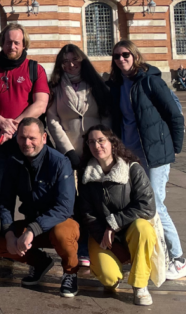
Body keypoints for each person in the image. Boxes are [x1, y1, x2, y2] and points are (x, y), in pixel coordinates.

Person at [107, 40, 186, 281]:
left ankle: (179, 260)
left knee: (156, 206)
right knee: (137, 205)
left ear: (135, 56)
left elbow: (175, 114)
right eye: (117, 56)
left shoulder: (150, 81)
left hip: (154, 155)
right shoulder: (117, 85)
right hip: (130, 156)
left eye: (125, 55)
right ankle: (149, 255)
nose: (121, 59)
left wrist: (173, 147)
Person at [0, 118, 81, 297]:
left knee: (62, 234)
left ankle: (70, 273)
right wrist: (9, 233)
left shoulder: (60, 162)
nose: (27, 143)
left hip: (61, 222)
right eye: (22, 138)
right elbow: (5, 202)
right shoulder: (13, 162)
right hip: (33, 224)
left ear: (43, 137)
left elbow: (64, 207)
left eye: (32, 138)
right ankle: (40, 262)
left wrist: (32, 230)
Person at [77, 126, 158, 306]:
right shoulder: (86, 175)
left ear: (112, 144)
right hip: (101, 234)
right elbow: (87, 214)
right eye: (91, 142)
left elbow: (147, 206)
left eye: (101, 140)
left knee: (143, 228)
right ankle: (115, 275)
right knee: (108, 279)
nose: (96, 146)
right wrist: (107, 239)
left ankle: (140, 285)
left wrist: (113, 224)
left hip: (130, 229)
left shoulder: (132, 169)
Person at [0, 22, 50, 194]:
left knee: (33, 188)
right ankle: (3, 220)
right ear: (2, 43)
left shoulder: (35, 69)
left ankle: (33, 221)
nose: (12, 46)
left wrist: (14, 124)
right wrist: (1, 121)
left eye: (17, 42)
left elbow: (41, 103)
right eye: (8, 42)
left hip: (28, 137)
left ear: (24, 44)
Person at [45, 44, 112, 171]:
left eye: (75, 60)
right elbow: (53, 121)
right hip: (71, 148)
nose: (71, 65)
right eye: (66, 61)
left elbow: (106, 115)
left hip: (98, 147)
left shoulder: (97, 85)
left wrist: (103, 141)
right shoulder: (55, 88)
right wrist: (68, 150)